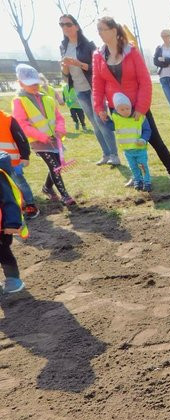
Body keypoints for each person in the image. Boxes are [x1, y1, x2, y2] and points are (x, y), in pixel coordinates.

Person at [92, 16, 170, 186]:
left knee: (154, 139)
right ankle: (137, 176)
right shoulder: (98, 55)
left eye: (103, 29)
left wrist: (141, 107)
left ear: (114, 30)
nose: (100, 33)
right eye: (99, 30)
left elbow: (144, 80)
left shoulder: (131, 52)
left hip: (137, 106)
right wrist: (99, 107)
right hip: (116, 109)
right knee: (129, 143)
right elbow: (97, 83)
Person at [59, 13, 120, 165]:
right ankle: (106, 154)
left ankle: (114, 155)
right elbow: (65, 75)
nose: (65, 28)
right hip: (79, 90)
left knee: (101, 121)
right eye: (61, 25)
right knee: (94, 123)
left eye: (68, 24)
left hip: (94, 88)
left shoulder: (89, 45)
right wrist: (65, 67)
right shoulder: (63, 47)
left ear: (76, 26)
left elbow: (98, 68)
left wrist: (78, 63)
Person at [12, 64, 76, 207]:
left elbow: (58, 117)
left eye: (36, 83)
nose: (35, 86)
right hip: (38, 141)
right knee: (54, 166)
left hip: (54, 139)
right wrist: (41, 136)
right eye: (30, 84)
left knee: (57, 165)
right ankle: (65, 195)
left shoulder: (47, 98)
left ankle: (47, 188)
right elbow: (22, 124)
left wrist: (60, 129)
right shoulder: (19, 101)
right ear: (20, 83)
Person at [109, 92, 151, 192]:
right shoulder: (116, 119)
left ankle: (147, 182)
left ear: (131, 107)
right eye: (122, 109)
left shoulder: (139, 117)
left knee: (143, 166)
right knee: (133, 167)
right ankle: (138, 180)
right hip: (127, 150)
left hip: (140, 149)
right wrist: (105, 119)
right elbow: (110, 127)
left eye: (127, 108)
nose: (125, 111)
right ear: (117, 110)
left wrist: (143, 139)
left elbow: (147, 130)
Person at [0, 108, 38, 218]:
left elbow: (21, 138)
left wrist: (25, 156)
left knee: (20, 183)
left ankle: (30, 206)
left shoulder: (7, 119)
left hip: (12, 162)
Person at [0, 151, 29, 294]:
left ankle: (13, 280)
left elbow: (9, 199)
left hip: (2, 226)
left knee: (3, 251)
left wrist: (11, 224)